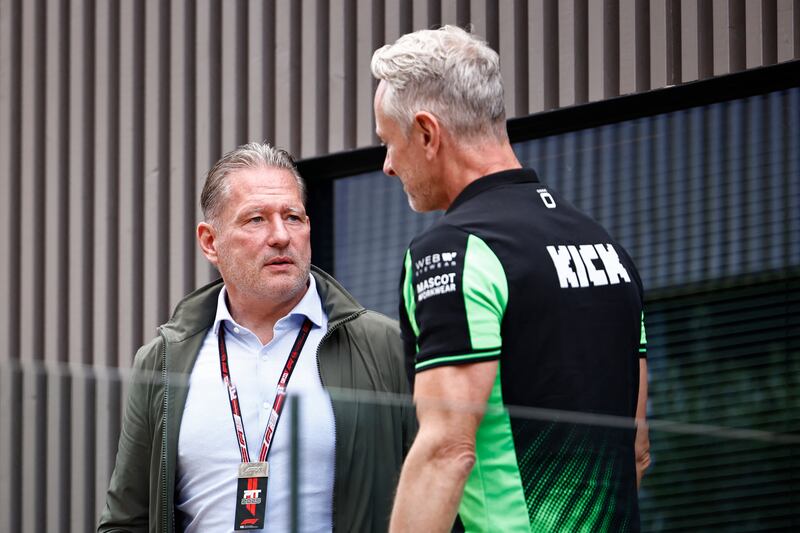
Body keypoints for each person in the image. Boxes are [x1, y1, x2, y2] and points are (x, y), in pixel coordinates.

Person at [371, 26, 650, 532]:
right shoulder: (606, 248)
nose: (388, 165)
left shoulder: (454, 251)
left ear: (428, 133)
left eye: (389, 142)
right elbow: (636, 448)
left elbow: (446, 452)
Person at [98, 142, 415, 533]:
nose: (280, 236)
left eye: (293, 217)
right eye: (256, 220)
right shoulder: (163, 361)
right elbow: (126, 521)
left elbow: (441, 491)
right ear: (210, 242)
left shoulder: (385, 347)